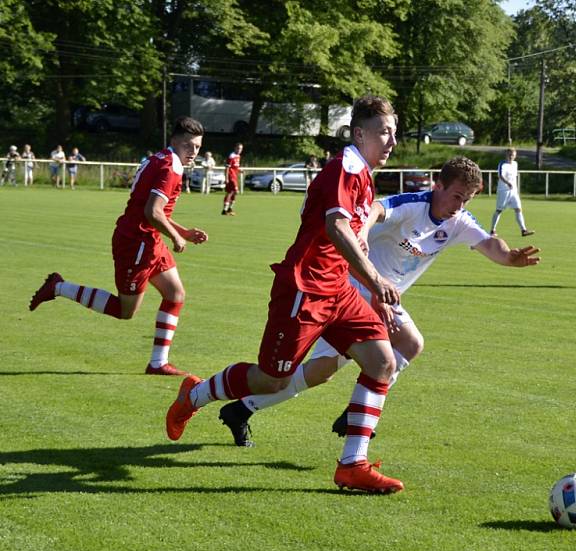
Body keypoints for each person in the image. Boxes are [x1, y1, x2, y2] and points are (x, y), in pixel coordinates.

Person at [207, 156, 540, 446]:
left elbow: (489, 243)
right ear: (438, 185)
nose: (460, 206)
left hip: (381, 296)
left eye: (466, 200)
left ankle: (243, 409)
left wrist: (510, 257)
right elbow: (376, 210)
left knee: (322, 371)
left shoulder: (458, 222)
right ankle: (354, 418)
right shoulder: (412, 206)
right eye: (456, 196)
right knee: (407, 343)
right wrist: (361, 234)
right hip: (353, 289)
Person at [165, 95, 406, 494]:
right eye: (384, 132)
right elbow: (337, 229)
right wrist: (377, 280)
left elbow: (353, 239)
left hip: (338, 289)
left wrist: (369, 284)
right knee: (272, 381)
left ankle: (352, 464)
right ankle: (195, 394)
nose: (391, 142)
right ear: (359, 133)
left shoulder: (362, 174)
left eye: (394, 133)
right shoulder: (344, 168)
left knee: (382, 363)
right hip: (305, 289)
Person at [29, 117, 209, 376]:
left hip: (149, 240)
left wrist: (183, 232)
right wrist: (176, 238)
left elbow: (153, 211)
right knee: (125, 311)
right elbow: (152, 212)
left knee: (175, 294)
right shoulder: (170, 168)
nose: (194, 153)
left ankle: (158, 363)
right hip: (136, 242)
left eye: (198, 147)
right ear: (175, 141)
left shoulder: (162, 159)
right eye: (189, 146)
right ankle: (58, 286)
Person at [489, 148, 534, 237]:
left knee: (518, 209)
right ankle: (492, 230)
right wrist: (507, 183)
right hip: (504, 191)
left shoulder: (515, 164)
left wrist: (514, 186)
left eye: (513, 155)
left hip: (513, 191)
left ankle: (523, 230)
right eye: (510, 155)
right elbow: (500, 175)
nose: (511, 157)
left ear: (515, 155)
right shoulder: (502, 164)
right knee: (499, 210)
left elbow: (514, 177)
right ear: (506, 155)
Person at [222, 142, 243, 215]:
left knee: (232, 192)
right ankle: (225, 210)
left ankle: (228, 209)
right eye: (238, 148)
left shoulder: (238, 156)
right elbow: (227, 167)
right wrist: (226, 178)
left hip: (235, 176)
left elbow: (235, 167)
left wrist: (239, 170)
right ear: (235, 148)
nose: (239, 150)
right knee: (233, 191)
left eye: (241, 149)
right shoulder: (232, 156)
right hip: (231, 177)